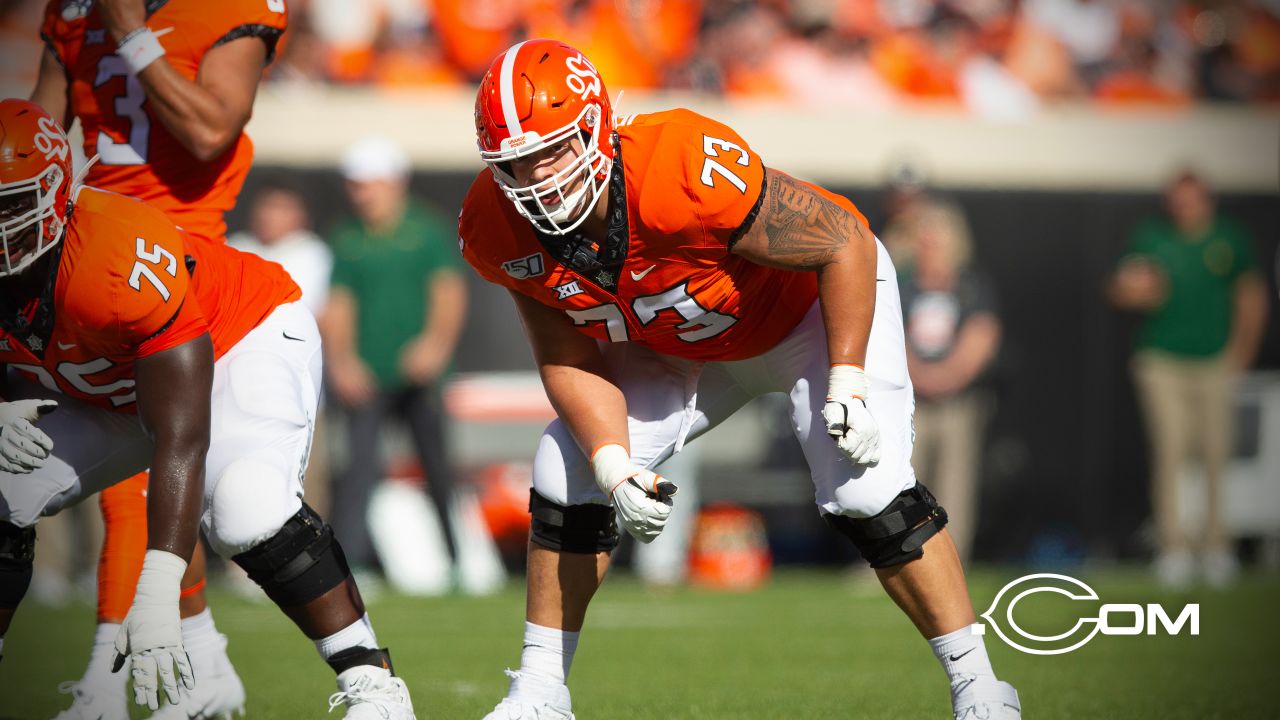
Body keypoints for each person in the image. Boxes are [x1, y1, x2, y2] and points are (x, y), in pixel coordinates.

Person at [459, 40, 1021, 720]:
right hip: (681, 345)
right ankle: (540, 694)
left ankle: (979, 686)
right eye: (513, 161)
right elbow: (567, 356)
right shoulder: (496, 223)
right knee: (564, 466)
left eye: (551, 149)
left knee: (864, 485)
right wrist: (614, 469)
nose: (535, 176)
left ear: (598, 127)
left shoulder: (678, 164)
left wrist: (847, 381)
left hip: (808, 315)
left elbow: (843, 240)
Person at [0, 99, 415, 720]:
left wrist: (159, 587)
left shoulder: (115, 255)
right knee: (4, 490)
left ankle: (372, 682)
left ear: (58, 194)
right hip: (109, 382)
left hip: (237, 339)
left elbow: (180, 437)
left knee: (247, 510)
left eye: (12, 204)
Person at [29, 0, 292, 715]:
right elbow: (36, 136)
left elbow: (211, 130)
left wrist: (129, 38)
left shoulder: (226, 10)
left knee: (147, 478)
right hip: (79, 249)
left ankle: (108, 681)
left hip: (179, 254)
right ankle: (204, 658)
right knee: (54, 474)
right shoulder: (71, 11)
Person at [1109, 170, 1269, 589]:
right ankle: (1174, 548)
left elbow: (1250, 295)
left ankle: (1217, 548)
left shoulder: (1228, 239)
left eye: (1191, 200)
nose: (1184, 208)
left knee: (1216, 454)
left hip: (1214, 359)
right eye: (1177, 200)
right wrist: (1136, 289)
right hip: (1162, 361)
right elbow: (1122, 288)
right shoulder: (1152, 237)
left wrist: (1242, 352)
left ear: (1207, 200)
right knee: (1170, 454)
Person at [321, 136, 468, 589]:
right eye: (355, 185)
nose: (360, 193)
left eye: (368, 184)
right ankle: (355, 567)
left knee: (439, 469)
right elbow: (339, 305)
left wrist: (434, 347)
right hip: (367, 377)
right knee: (359, 471)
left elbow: (448, 292)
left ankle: (459, 562)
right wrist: (342, 362)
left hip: (420, 376)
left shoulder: (426, 230)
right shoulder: (347, 237)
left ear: (393, 183)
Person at [896, 199, 1002, 564]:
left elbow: (982, 334)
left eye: (937, 238)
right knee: (901, 481)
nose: (930, 245)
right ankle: (895, 558)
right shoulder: (903, 286)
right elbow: (890, 336)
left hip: (960, 401)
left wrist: (951, 375)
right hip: (911, 402)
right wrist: (920, 374)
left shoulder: (971, 287)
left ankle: (951, 562)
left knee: (956, 483)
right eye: (924, 237)